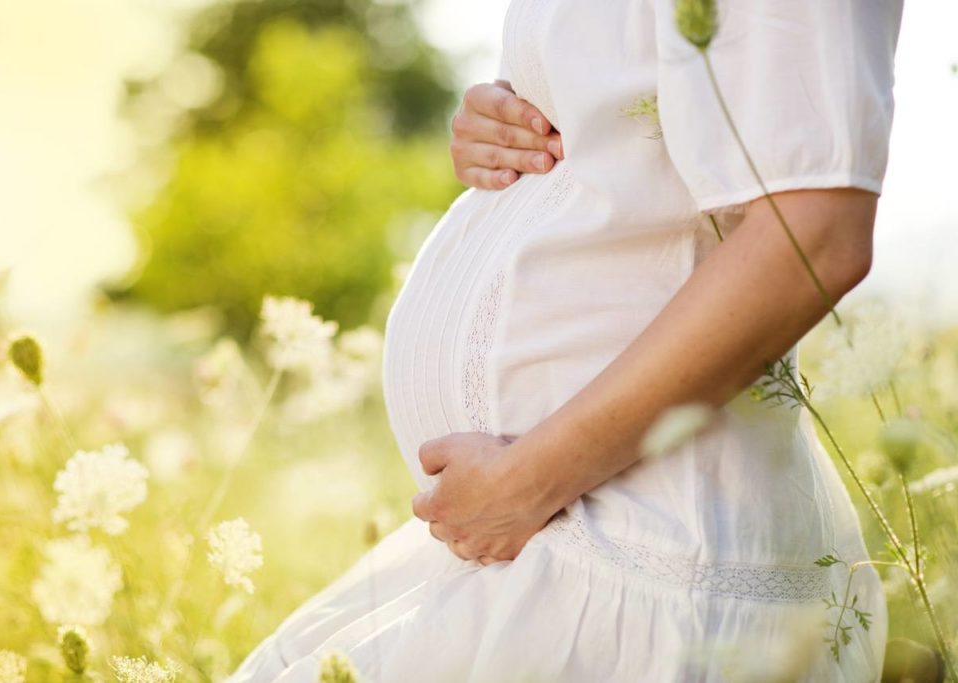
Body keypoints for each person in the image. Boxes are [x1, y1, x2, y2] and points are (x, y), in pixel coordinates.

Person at [227, 0, 904, 680]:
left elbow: (816, 234)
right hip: (543, 545)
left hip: (642, 563)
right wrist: (498, 119)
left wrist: (528, 480)